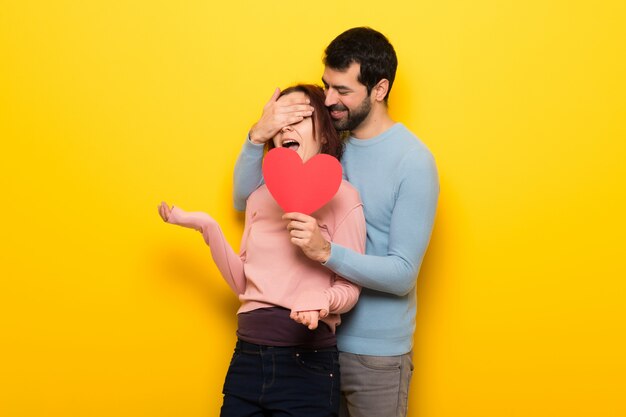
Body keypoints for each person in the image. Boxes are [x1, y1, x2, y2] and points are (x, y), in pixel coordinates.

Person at [233, 27, 439, 417]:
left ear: (379, 90)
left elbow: (402, 274)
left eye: (342, 91)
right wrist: (256, 137)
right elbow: (248, 197)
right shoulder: (325, 143)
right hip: (310, 346)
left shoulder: (413, 161)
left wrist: (326, 252)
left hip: (375, 356)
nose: (328, 100)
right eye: (327, 86)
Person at [160, 84, 366, 417]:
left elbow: (351, 286)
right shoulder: (259, 196)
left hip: (307, 366)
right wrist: (207, 227)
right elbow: (245, 285)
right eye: (279, 119)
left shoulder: (344, 197)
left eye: (298, 116)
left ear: (325, 135)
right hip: (247, 358)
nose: (286, 126)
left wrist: (322, 301)